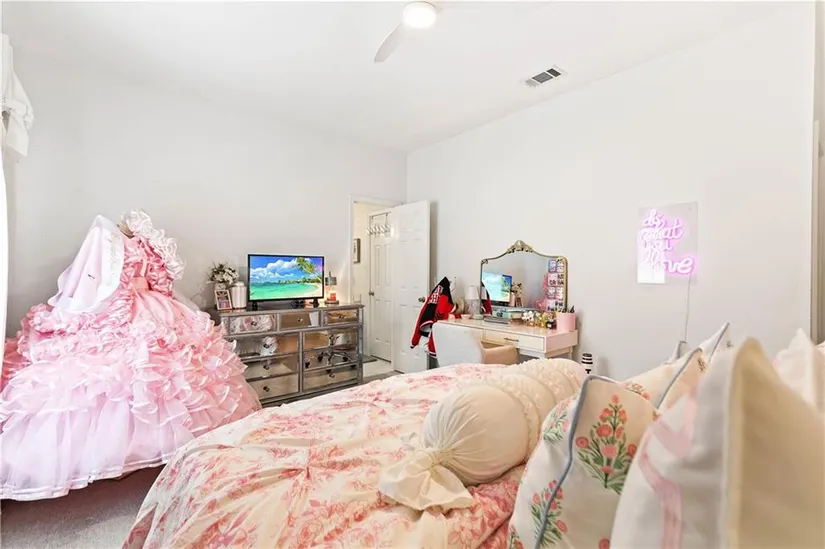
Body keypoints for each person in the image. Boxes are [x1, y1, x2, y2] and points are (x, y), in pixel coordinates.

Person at [0, 210, 261, 500]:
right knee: (120, 377)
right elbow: (94, 275)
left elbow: (159, 278)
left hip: (156, 307)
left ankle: (167, 447)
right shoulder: (106, 238)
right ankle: (118, 456)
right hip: (120, 305)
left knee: (170, 374)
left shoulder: (147, 243)